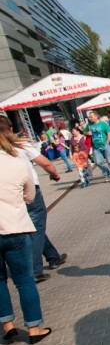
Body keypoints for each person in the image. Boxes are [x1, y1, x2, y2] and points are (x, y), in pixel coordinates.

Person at [0, 128, 52, 345]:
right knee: (24, 281)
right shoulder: (17, 163)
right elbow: (30, 197)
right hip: (15, 227)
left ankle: (8, 326)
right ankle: (34, 327)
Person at [0, 117, 67, 283]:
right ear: (10, 127)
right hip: (30, 190)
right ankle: (35, 269)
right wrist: (55, 173)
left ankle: (53, 257)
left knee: (34, 225)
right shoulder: (20, 144)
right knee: (36, 226)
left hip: (10, 193)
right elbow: (45, 162)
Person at [84, 110, 110, 182]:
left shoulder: (103, 124)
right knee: (98, 162)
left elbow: (109, 133)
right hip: (96, 147)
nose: (90, 118)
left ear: (96, 116)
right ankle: (106, 171)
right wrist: (87, 133)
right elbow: (84, 132)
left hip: (105, 145)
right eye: (89, 117)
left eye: (91, 117)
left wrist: (107, 142)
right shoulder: (89, 125)